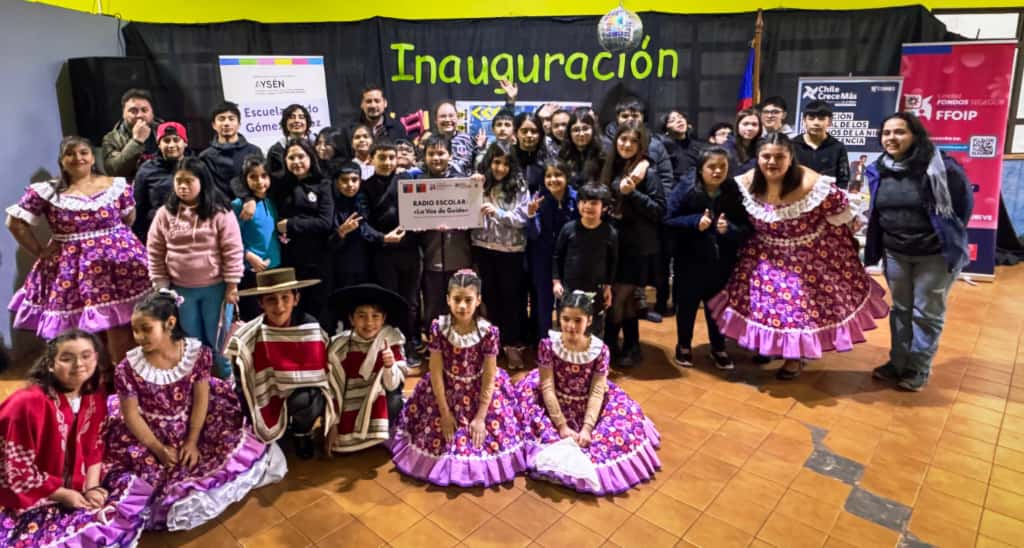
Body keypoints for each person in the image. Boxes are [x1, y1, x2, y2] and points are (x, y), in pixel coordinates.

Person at [709, 133, 889, 379]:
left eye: (779, 156)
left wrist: (842, 244)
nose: (772, 162)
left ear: (790, 157)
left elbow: (842, 213)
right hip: (762, 255)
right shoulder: (746, 183)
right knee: (764, 307)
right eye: (766, 156)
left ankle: (794, 358)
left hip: (804, 258)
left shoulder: (814, 184)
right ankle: (771, 347)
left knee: (794, 310)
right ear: (757, 157)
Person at [103, 290, 286, 530]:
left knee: (225, 443)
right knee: (145, 474)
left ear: (170, 323)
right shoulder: (127, 369)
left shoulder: (196, 354)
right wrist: (158, 449)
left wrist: (191, 440)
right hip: (150, 430)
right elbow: (131, 415)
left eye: (146, 329)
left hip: (195, 420)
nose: (139, 337)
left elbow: (202, 399)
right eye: (135, 330)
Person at [0, 330, 152, 547]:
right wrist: (62, 494)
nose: (79, 364)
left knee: (125, 487)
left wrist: (91, 486)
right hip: (34, 489)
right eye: (67, 358)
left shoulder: (93, 392)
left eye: (86, 355)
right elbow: (13, 469)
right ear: (50, 364)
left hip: (74, 477)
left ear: (97, 359)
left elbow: (94, 443)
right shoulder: (25, 405)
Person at [7, 136, 149, 363]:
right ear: (62, 161)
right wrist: (39, 251)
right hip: (73, 271)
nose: (77, 158)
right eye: (70, 154)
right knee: (84, 331)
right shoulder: (48, 191)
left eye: (83, 152)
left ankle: (123, 378)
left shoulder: (116, 185)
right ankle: (101, 378)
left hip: (117, 268)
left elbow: (128, 218)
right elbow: (14, 223)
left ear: (93, 157)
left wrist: (112, 241)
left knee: (120, 325)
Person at [391, 270, 530, 487]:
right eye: (457, 300)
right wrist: (445, 413)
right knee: (435, 434)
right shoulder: (438, 327)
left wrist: (481, 417)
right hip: (445, 389)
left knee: (491, 437)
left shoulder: (489, 332)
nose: (462, 306)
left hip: (479, 390)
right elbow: (435, 371)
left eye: (468, 300)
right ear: (448, 299)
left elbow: (489, 376)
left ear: (478, 300)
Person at [865, 112, 973, 392]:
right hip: (896, 252)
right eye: (886, 133)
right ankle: (897, 363)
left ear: (915, 135)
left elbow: (962, 209)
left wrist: (941, 238)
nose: (891, 138)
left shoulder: (942, 168)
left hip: (934, 256)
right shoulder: (879, 169)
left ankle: (918, 368)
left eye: (899, 132)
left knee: (926, 313)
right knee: (901, 310)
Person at [517, 291, 661, 495]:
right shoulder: (548, 345)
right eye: (566, 319)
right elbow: (547, 387)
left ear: (589, 320)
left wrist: (587, 428)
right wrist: (562, 426)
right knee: (531, 424)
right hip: (555, 402)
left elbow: (596, 391)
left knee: (617, 433)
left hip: (587, 405)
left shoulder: (600, 350)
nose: (571, 326)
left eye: (578, 320)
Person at [147, 157, 243, 379]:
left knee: (220, 341)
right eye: (178, 181)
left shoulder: (220, 211)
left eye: (189, 181)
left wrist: (232, 285)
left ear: (203, 182)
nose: (182, 186)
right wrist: (161, 287)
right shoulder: (165, 213)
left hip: (217, 289)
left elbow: (232, 249)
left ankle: (228, 385)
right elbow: (155, 250)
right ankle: (200, 388)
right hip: (180, 291)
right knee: (190, 343)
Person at [229, 268, 335, 459]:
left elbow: (322, 375)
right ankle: (273, 427)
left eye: (285, 298)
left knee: (309, 399)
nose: (279, 306)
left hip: (299, 393)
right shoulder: (247, 337)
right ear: (261, 303)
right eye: (271, 299)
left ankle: (301, 432)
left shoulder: (309, 328)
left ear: (296, 299)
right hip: (265, 395)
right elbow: (242, 380)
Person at [664, 146, 750, 369]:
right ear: (701, 169)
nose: (717, 171)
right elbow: (668, 219)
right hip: (689, 260)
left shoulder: (733, 190)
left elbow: (747, 228)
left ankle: (718, 347)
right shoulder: (686, 187)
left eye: (722, 167)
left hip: (722, 262)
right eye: (711, 167)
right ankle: (683, 346)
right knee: (687, 306)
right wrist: (694, 222)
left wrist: (728, 228)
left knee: (718, 308)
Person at [599, 123, 666, 367]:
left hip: (634, 247)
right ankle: (631, 346)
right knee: (623, 300)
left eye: (633, 141)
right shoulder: (611, 168)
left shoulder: (647, 173)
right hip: (613, 246)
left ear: (641, 146)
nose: (626, 145)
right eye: (622, 139)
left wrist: (633, 193)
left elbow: (659, 210)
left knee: (618, 298)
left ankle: (609, 346)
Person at [326, 284, 408, 453]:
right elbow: (332, 388)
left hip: (380, 397)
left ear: (384, 318)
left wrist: (389, 365)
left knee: (394, 400)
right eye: (361, 316)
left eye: (375, 316)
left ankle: (385, 428)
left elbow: (392, 385)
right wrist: (332, 424)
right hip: (351, 401)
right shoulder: (339, 347)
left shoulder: (391, 340)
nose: (369, 322)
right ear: (351, 319)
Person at [362, 138, 423, 365]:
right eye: (382, 158)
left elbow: (426, 206)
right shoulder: (365, 187)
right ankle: (391, 346)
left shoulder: (408, 180)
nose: (387, 162)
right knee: (389, 301)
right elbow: (362, 223)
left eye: (391, 157)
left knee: (411, 302)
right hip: (383, 254)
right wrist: (382, 238)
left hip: (410, 251)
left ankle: (409, 344)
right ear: (372, 160)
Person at [472, 142, 530, 369]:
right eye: (496, 162)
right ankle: (494, 345)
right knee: (490, 299)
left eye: (506, 163)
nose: (500, 168)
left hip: (511, 251)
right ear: (489, 161)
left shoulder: (519, 185)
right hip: (482, 247)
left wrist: (499, 213)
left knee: (512, 300)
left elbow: (522, 218)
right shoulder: (478, 183)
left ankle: (513, 346)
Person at [415, 136, 477, 343]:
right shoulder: (416, 183)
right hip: (431, 258)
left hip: (459, 256)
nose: (436, 158)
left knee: (460, 302)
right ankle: (435, 345)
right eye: (431, 154)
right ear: (424, 157)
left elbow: (473, 217)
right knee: (433, 304)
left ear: (450, 156)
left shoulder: (463, 183)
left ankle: (460, 343)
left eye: (441, 153)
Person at [272, 138, 334, 324]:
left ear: (311, 157)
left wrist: (291, 225)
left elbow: (325, 223)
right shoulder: (280, 186)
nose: (296, 161)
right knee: (295, 310)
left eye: (301, 156)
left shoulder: (323, 184)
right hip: (290, 260)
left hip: (319, 260)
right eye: (291, 157)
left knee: (320, 311)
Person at [553, 183, 617, 340]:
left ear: (604, 207)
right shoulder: (568, 229)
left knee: (594, 328)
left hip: (596, 289)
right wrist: (556, 282)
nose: (587, 206)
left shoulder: (610, 233)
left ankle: (591, 361)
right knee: (567, 326)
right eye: (583, 201)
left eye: (594, 203)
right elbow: (557, 256)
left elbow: (613, 261)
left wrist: (608, 287)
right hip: (569, 288)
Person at [654, 109, 702, 317]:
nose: (679, 121)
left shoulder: (697, 147)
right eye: (672, 120)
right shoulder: (662, 146)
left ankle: (681, 301)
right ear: (665, 127)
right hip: (668, 206)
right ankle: (661, 301)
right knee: (664, 259)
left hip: (690, 206)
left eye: (681, 117)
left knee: (684, 259)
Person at [526, 159, 578, 341]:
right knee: (543, 303)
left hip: (569, 260)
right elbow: (533, 234)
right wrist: (531, 215)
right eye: (549, 176)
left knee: (568, 303)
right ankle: (544, 343)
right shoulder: (538, 199)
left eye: (558, 175)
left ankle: (568, 343)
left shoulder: (577, 198)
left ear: (567, 177)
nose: (553, 180)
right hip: (543, 259)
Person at [232, 156, 282, 320]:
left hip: (274, 268)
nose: (260, 182)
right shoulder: (239, 205)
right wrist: (247, 255)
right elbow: (230, 238)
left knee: (274, 315)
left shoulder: (271, 202)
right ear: (244, 179)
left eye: (264, 176)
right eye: (253, 177)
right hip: (251, 271)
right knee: (254, 316)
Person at [133, 121, 192, 241]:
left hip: (193, 232)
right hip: (158, 234)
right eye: (166, 140)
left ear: (185, 143)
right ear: (159, 144)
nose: (171, 145)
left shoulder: (196, 167)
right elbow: (138, 209)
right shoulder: (146, 170)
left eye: (176, 140)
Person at [327, 160, 372, 305]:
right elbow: (326, 243)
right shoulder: (331, 205)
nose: (350, 185)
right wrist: (341, 232)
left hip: (366, 264)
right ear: (337, 182)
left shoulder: (364, 201)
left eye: (354, 180)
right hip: (340, 268)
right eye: (344, 180)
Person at [199, 101, 264, 199]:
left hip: (252, 207)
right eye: (221, 119)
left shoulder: (254, 151)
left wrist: (252, 200)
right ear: (214, 125)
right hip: (221, 210)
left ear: (239, 124)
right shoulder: (205, 156)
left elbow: (262, 183)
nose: (226, 123)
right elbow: (207, 189)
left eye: (231, 119)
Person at [338, 85, 411, 159]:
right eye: (368, 101)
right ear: (362, 104)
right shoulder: (349, 130)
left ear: (385, 103)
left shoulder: (397, 129)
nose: (373, 105)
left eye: (377, 101)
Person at [102, 88, 160, 179]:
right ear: (123, 114)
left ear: (152, 113)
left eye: (144, 110)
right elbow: (113, 171)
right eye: (133, 111)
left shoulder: (165, 130)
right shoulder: (111, 138)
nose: (139, 115)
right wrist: (136, 141)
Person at [794, 100, 851, 189]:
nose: (816, 123)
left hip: (828, 199)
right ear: (804, 120)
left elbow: (843, 180)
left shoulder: (838, 147)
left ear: (829, 121)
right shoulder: (792, 145)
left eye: (821, 119)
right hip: (796, 198)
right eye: (811, 118)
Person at [558, 110, 605, 189]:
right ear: (569, 133)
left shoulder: (603, 153)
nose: (581, 134)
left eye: (585, 128)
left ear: (593, 130)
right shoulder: (564, 153)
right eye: (576, 130)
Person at [267, 104, 313, 178]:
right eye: (292, 117)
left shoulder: (316, 146)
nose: (297, 121)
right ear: (285, 123)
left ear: (307, 122)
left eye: (301, 117)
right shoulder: (275, 151)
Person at [434, 100, 477, 176]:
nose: (447, 119)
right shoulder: (430, 142)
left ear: (457, 118)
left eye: (451, 116)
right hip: (438, 186)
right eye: (443, 116)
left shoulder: (468, 140)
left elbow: (478, 165)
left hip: (466, 186)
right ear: (435, 120)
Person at [513, 112, 549, 192]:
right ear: (516, 133)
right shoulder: (508, 157)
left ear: (540, 134)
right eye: (524, 131)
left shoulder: (548, 159)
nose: (529, 135)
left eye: (534, 131)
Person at [731, 108, 762, 173]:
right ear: (737, 126)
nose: (750, 128)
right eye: (745, 124)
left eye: (754, 124)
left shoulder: (764, 145)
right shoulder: (727, 147)